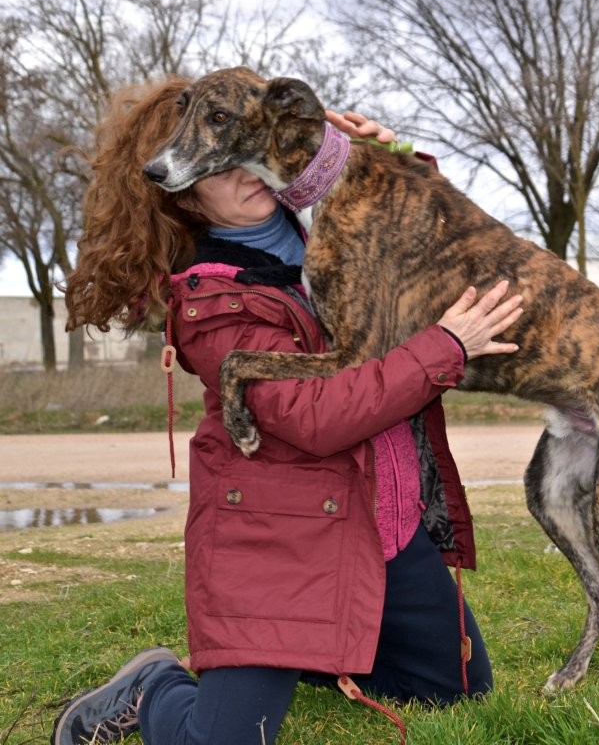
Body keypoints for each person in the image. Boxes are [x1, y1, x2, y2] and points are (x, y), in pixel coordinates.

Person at [55, 74, 524, 745]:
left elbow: (425, 227)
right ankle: (153, 686)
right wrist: (445, 347)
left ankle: (310, 654)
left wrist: (392, 155)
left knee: (456, 690)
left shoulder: (327, 228)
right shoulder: (209, 303)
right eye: (209, 161)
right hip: (277, 552)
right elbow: (315, 417)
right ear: (184, 194)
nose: (242, 168)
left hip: (381, 530)